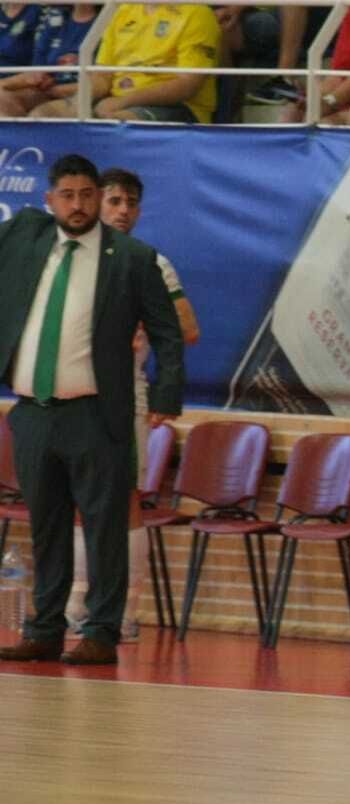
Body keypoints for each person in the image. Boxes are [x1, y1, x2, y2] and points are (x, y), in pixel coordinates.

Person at [0, 154, 185, 667]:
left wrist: (167, 396)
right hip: (34, 411)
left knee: (104, 524)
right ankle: (44, 628)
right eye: (68, 195)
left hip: (96, 413)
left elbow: (170, 333)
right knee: (47, 525)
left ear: (96, 199)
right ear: (48, 200)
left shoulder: (130, 257)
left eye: (87, 195)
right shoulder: (27, 239)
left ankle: (103, 629)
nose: (78, 205)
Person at [61, 167, 202, 641]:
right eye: (115, 201)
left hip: (124, 396)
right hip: (71, 391)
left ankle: (126, 611)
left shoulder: (151, 262)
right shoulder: (67, 255)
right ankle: (76, 604)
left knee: (125, 501)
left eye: (131, 204)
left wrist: (138, 319)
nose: (123, 211)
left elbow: (186, 328)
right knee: (79, 501)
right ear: (97, 202)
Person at [32, 2, 222, 123]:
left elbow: (187, 85)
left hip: (178, 107)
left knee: (113, 121)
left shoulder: (197, 12)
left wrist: (122, 102)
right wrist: (79, 101)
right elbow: (102, 77)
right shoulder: (122, 10)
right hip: (115, 99)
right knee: (43, 115)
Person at [0, 4, 95, 119]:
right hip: (46, 88)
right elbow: (37, 70)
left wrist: (58, 89)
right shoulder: (55, 16)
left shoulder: (109, 18)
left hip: (80, 93)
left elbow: (101, 82)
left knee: (41, 115)